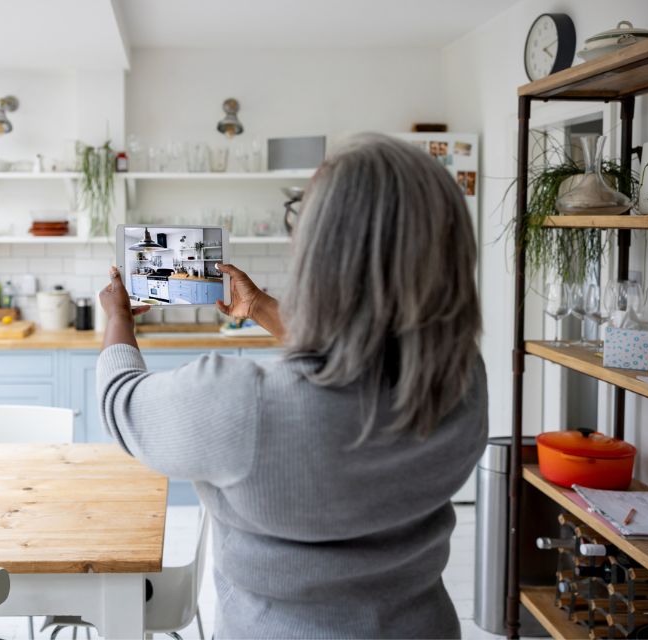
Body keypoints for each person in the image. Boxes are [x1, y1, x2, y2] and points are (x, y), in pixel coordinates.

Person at [97, 133, 487, 638]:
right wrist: (259, 306)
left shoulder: (241, 403)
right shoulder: (462, 379)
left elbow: (120, 401)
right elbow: (360, 351)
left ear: (321, 253)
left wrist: (117, 317)